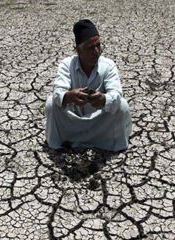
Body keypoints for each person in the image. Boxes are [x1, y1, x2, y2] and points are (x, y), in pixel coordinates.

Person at [45, 19, 132, 152]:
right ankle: (59, 144)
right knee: (51, 103)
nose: (97, 51)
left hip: (100, 121)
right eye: (91, 47)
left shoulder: (108, 66)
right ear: (78, 51)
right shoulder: (66, 65)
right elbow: (58, 93)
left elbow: (116, 93)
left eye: (98, 45)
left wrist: (104, 99)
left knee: (122, 105)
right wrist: (68, 96)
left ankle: (110, 143)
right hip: (74, 120)